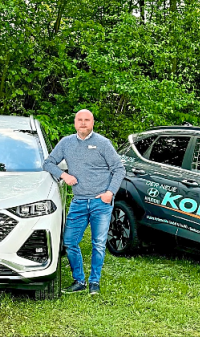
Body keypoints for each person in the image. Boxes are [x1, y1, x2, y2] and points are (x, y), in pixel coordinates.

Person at [43, 109, 126, 295]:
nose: (83, 123)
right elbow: (48, 163)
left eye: (86, 120)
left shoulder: (103, 144)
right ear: (74, 123)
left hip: (100, 202)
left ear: (93, 123)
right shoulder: (66, 143)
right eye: (79, 120)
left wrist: (110, 193)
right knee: (70, 241)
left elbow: (119, 169)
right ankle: (79, 280)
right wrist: (64, 175)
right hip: (79, 201)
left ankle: (94, 282)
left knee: (98, 243)